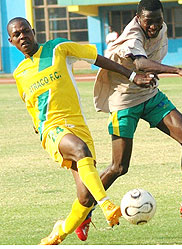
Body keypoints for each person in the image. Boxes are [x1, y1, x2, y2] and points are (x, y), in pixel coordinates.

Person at [7, 17, 156, 245]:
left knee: (85, 198)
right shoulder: (19, 74)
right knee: (79, 150)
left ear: (33, 32)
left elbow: (96, 58)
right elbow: (31, 106)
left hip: (78, 127)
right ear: (11, 41)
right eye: (17, 35)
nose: (22, 37)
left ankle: (60, 233)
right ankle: (106, 204)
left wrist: (132, 75)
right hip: (52, 130)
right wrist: (40, 129)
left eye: (25, 31)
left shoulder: (58, 48)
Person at [76, 0, 182, 241]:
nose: (153, 26)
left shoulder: (161, 27)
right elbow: (141, 63)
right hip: (123, 101)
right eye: (148, 21)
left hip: (149, 95)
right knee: (119, 167)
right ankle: (85, 211)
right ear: (137, 18)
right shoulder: (132, 35)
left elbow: (150, 65)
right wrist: (177, 70)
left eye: (158, 20)